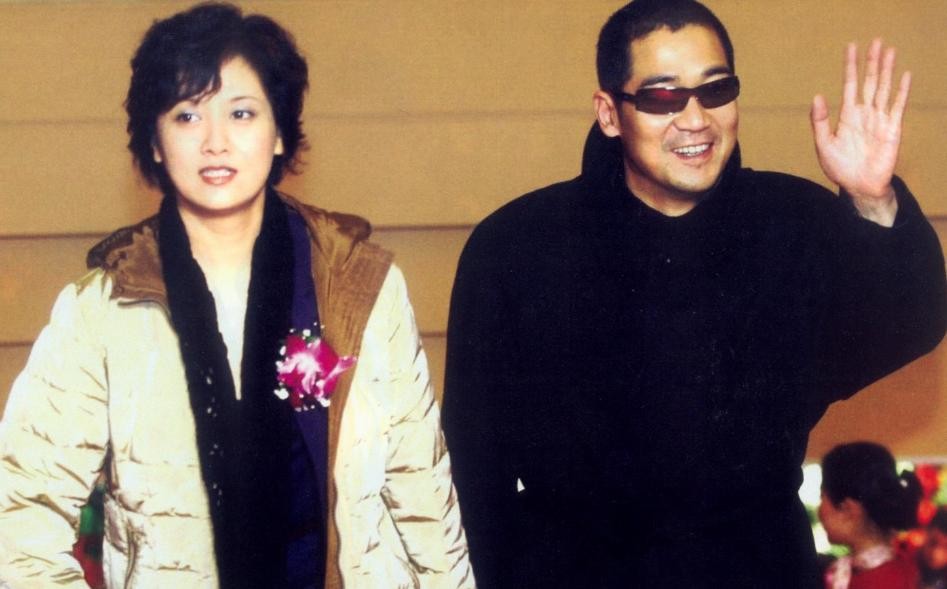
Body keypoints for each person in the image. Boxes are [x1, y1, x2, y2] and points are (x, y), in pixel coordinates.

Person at [441, 0, 947, 587]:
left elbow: (909, 323)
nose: (695, 119)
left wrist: (871, 201)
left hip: (759, 570)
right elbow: (473, 470)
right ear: (609, 112)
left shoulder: (788, 223)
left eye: (715, 90)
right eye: (662, 96)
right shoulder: (518, 247)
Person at [0, 4, 473, 588]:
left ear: (279, 133)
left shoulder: (355, 282)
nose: (216, 142)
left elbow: (423, 496)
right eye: (187, 115)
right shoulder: (102, 309)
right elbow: (21, 516)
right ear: (155, 141)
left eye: (242, 113)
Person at [818, 442, 922, 589]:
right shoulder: (902, 569)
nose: (819, 510)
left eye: (822, 497)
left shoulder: (878, 581)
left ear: (847, 509)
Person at [919, 507, 947, 589]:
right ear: (925, 533)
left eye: (946, 547)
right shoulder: (895, 571)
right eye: (933, 542)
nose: (936, 554)